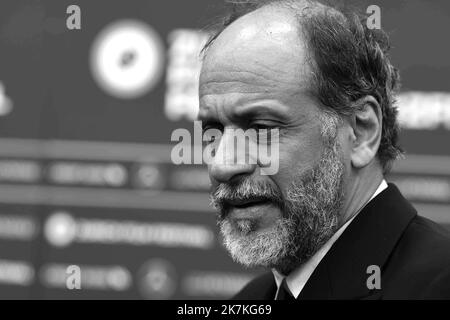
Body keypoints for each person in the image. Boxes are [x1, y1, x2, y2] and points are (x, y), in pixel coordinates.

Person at [198, 0, 450, 299]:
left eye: (261, 128)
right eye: (213, 131)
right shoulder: (252, 298)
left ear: (361, 132)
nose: (221, 165)